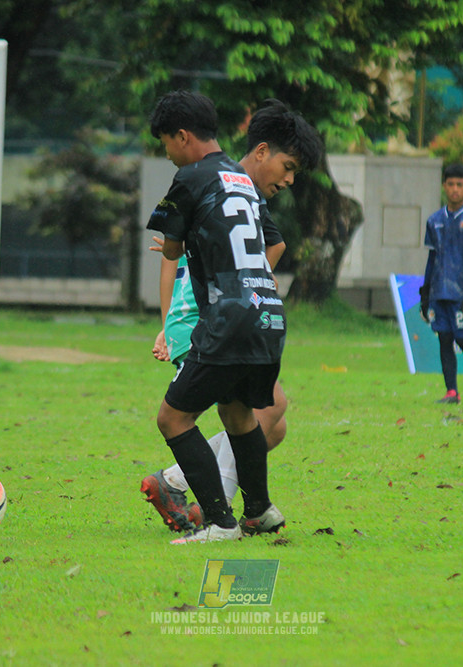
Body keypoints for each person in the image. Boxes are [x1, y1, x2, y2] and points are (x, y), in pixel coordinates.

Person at [141, 99, 321, 534]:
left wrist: (177, 247)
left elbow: (170, 247)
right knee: (239, 413)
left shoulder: (190, 177)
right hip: (267, 315)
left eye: (166, 143)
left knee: (173, 418)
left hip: (227, 318)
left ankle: (220, 522)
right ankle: (259, 510)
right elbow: (267, 246)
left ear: (182, 137)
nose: (167, 153)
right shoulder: (244, 182)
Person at [419, 162, 463, 404]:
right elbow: (431, 258)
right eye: (450, 184)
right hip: (440, 290)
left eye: (460, 185)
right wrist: (425, 293)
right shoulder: (434, 220)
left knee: (462, 338)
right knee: (444, 338)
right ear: (444, 186)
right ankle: (452, 391)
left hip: (462, 292)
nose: (454, 189)